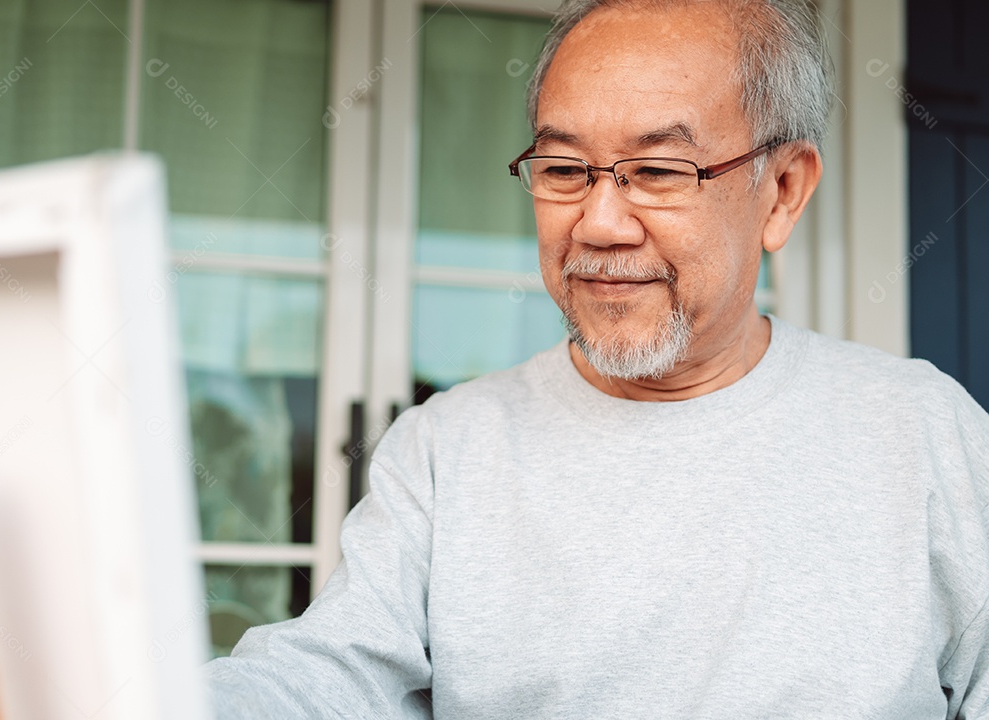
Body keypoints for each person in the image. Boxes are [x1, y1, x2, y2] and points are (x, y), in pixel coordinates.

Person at [204, 0, 989, 717]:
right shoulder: (447, 446)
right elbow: (330, 675)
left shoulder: (925, 432)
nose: (600, 223)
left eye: (656, 171)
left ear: (781, 191)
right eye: (564, 170)